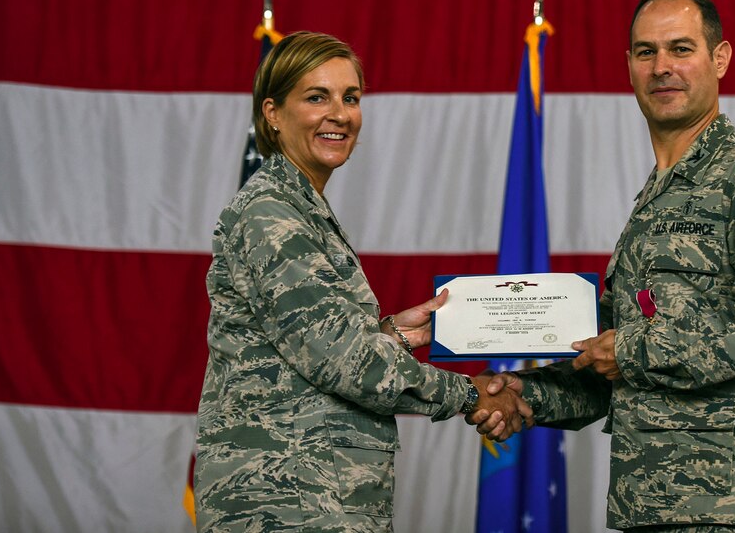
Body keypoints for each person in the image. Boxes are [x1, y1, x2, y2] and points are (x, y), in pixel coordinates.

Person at [473, 0, 735, 532]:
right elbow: (610, 363)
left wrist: (633, 349)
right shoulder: (655, 199)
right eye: (646, 52)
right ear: (630, 66)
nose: (662, 67)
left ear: (721, 58)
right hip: (655, 507)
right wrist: (527, 397)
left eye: (681, 49)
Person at [194, 31, 531, 532]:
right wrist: (471, 394)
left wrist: (391, 334)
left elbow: (303, 352)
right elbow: (344, 361)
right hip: (285, 501)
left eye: (350, 97)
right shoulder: (273, 216)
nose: (340, 113)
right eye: (316, 97)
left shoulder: (302, 209)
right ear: (272, 113)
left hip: (316, 495)